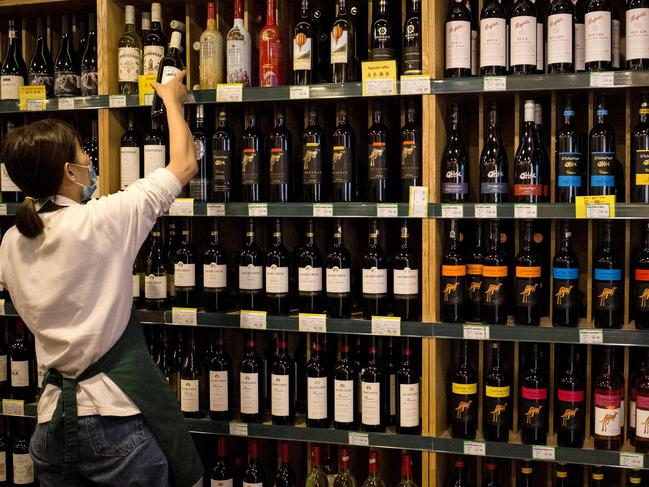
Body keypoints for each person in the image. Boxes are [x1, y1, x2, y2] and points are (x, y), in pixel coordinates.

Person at [0, 71, 202, 486]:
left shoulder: (10, 242)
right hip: (116, 423)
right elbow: (184, 164)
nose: (91, 159)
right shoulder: (102, 220)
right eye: (83, 153)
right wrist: (172, 101)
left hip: (50, 424)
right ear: (69, 171)